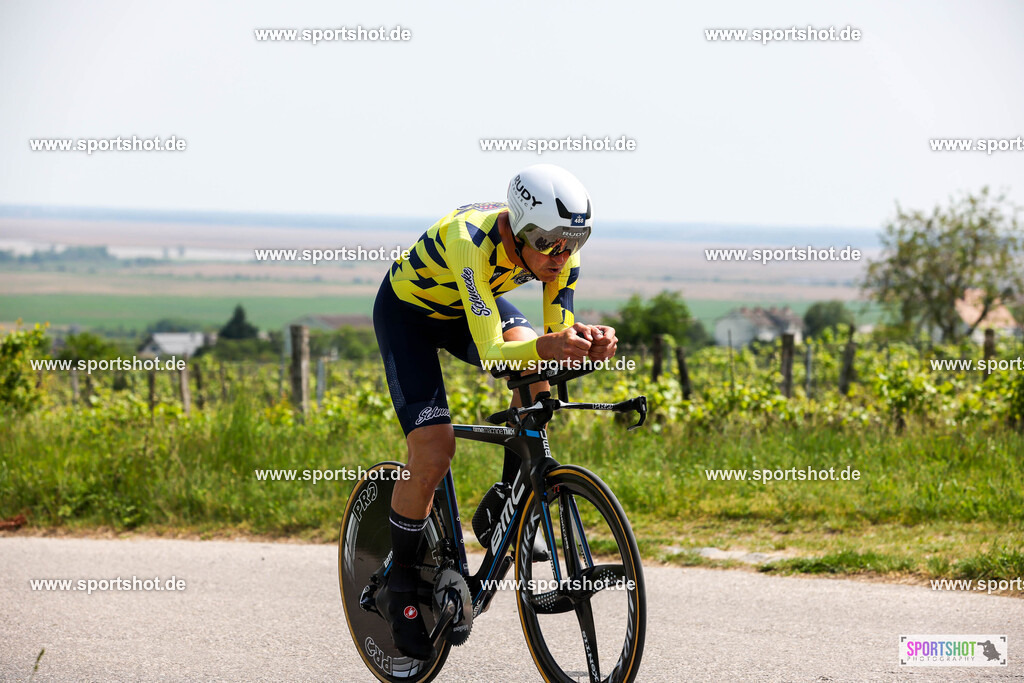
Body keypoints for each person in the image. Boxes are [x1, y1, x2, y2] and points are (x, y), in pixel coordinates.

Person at [371, 164, 617, 660]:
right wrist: (549, 345)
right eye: (549, 243)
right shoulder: (470, 242)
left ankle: (504, 501)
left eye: (574, 242)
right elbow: (492, 356)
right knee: (434, 451)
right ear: (520, 229)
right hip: (409, 319)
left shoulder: (560, 252)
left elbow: (553, 343)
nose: (561, 255)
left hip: (468, 309)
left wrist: (585, 343)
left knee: (537, 371)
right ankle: (400, 588)